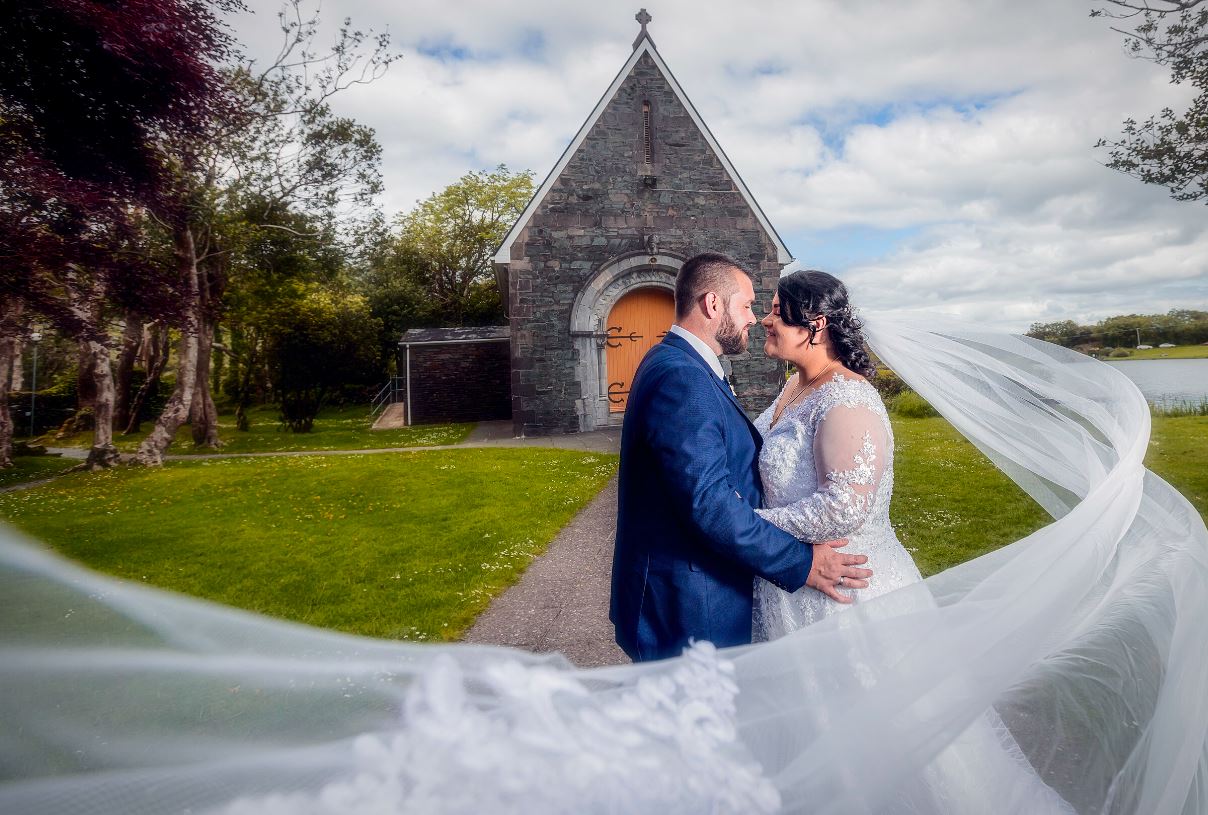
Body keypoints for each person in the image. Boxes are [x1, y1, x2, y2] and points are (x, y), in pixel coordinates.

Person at [609, 253, 872, 662]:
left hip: (698, 593)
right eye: (748, 305)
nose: (756, 319)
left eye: (770, 311)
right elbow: (709, 505)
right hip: (688, 602)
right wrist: (800, 562)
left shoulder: (683, 363)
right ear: (714, 305)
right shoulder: (683, 376)